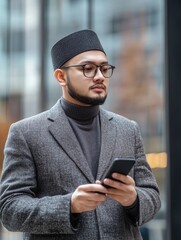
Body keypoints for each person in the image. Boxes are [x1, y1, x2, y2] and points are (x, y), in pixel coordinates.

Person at [0, 29, 161, 240]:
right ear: (61, 77)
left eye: (104, 69)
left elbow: (153, 197)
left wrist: (133, 199)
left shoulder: (127, 129)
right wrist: (69, 205)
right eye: (88, 69)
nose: (99, 76)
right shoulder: (26, 133)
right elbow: (9, 210)